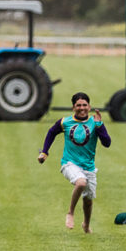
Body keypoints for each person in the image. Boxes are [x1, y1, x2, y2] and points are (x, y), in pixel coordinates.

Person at [37, 92, 112, 234]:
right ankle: (70, 213)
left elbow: (107, 143)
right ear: (73, 107)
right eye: (78, 105)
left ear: (89, 107)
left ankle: (86, 225)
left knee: (88, 200)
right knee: (81, 183)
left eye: (84, 105)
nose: (82, 108)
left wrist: (100, 126)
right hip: (69, 163)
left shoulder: (94, 122)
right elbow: (51, 132)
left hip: (89, 167)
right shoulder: (65, 122)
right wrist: (45, 152)